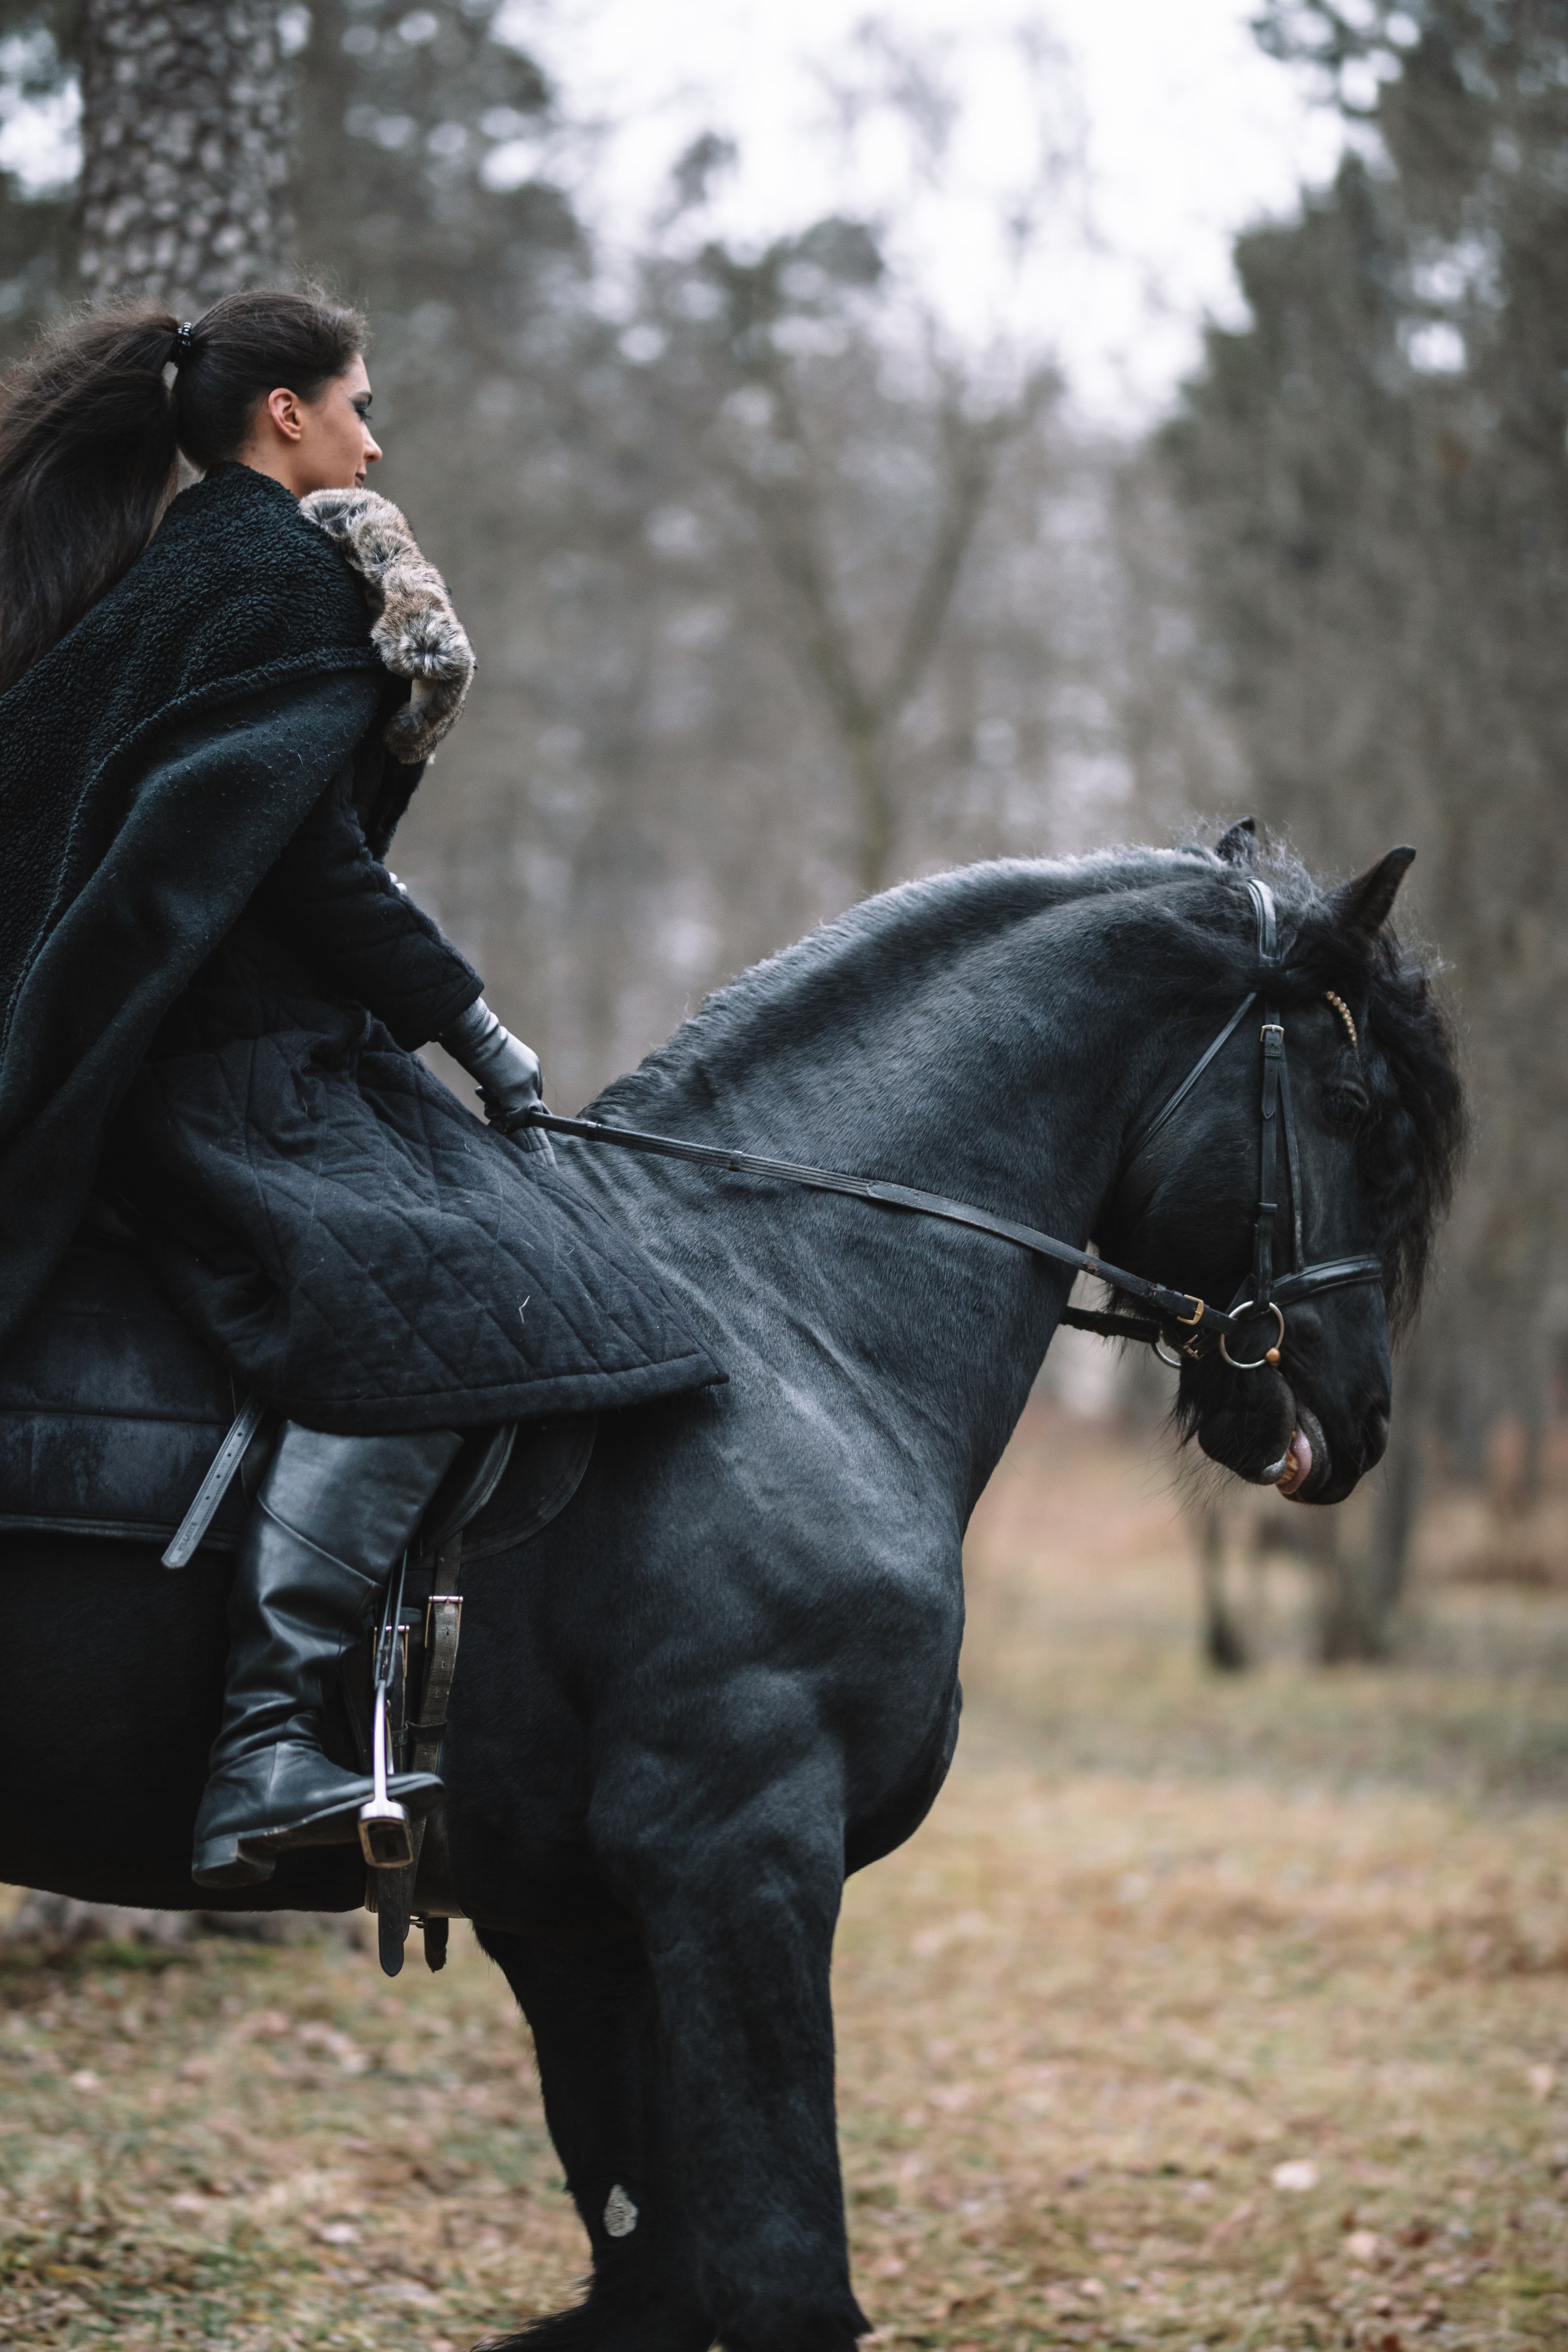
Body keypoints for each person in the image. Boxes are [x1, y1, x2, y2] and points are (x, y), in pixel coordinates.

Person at [0, 292, 720, 1888]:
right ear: (283, 418)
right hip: (231, 1078)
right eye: (358, 404)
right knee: (459, 1297)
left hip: (219, 1051)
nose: (375, 438)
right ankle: (266, 1739)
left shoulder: (189, 564)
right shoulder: (273, 572)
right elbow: (310, 868)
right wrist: (476, 1028)